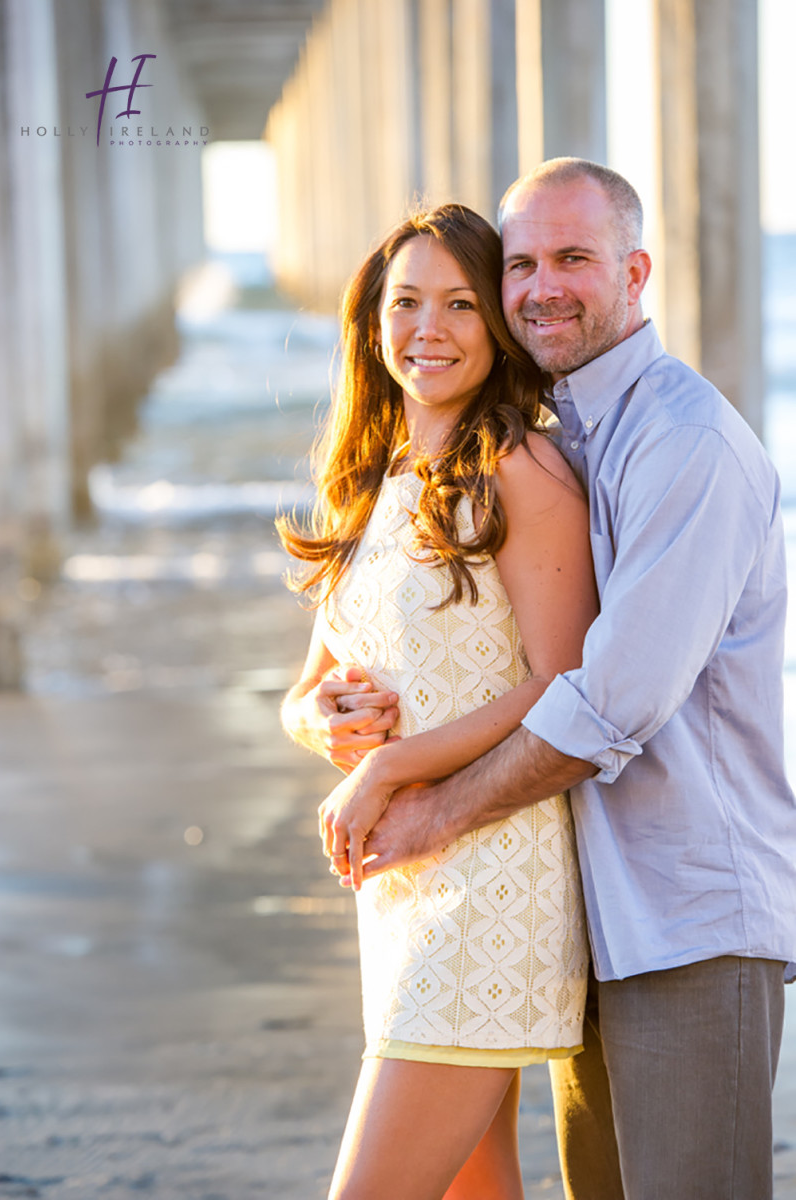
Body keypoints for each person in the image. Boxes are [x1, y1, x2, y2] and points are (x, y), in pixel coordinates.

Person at [308, 158, 796, 1200]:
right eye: (522, 263)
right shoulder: (555, 428)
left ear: (636, 269)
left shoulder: (687, 444)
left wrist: (426, 800)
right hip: (589, 904)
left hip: (686, 913)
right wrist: (333, 720)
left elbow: (602, 698)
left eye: (573, 258)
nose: (543, 286)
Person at [278, 202, 598, 1199]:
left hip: (493, 879)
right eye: (407, 301)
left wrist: (388, 763)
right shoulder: (372, 480)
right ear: (372, 322)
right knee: (474, 1189)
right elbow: (305, 689)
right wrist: (324, 721)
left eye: (461, 303)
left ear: (496, 324)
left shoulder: (523, 469)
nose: (431, 327)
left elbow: (563, 680)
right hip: (402, 891)